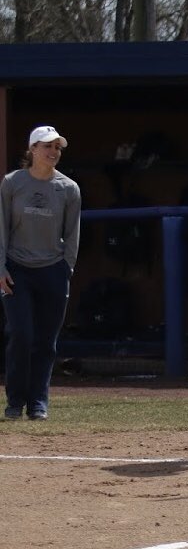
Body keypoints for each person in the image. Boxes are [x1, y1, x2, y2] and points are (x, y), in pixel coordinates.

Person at [0, 126, 81, 421]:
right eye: (47, 146)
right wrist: (0, 267)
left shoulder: (69, 188)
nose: (53, 151)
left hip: (53, 270)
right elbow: (2, 227)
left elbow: (72, 233)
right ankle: (15, 401)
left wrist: (66, 268)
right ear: (32, 149)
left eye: (57, 147)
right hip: (16, 270)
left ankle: (38, 403)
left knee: (46, 341)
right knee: (21, 334)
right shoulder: (12, 183)